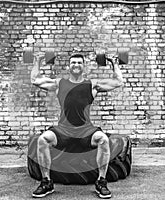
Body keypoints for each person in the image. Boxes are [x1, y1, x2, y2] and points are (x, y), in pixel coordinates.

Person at [30, 52, 124, 199]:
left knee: (103, 139)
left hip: (85, 130)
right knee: (43, 139)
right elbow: (35, 80)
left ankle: (101, 181)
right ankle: (46, 182)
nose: (76, 65)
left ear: (84, 66)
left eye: (79, 63)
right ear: (69, 66)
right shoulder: (59, 83)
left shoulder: (92, 85)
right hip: (63, 130)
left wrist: (114, 63)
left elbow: (118, 82)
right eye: (73, 62)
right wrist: (38, 60)